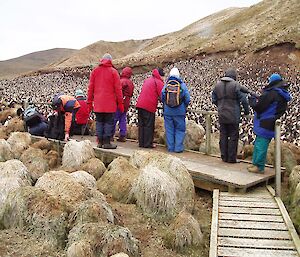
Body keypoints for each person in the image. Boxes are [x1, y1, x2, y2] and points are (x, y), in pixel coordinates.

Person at [247, 73, 291, 173]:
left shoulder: (272, 93)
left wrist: (252, 101)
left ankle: (259, 166)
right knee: (259, 143)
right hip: (271, 121)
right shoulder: (282, 94)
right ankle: (255, 164)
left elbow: (259, 106)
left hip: (265, 122)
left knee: (260, 145)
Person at [212, 68, 249, 163]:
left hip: (222, 114)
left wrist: (220, 106)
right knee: (233, 136)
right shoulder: (236, 85)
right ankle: (232, 158)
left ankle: (224, 156)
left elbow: (214, 99)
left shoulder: (217, 85)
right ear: (234, 77)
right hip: (233, 115)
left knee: (223, 135)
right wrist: (246, 112)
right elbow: (244, 100)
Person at [87, 53, 124, 149]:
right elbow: (118, 90)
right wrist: (120, 103)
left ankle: (99, 142)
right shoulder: (113, 72)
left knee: (99, 122)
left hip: (98, 104)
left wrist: (89, 103)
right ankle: (107, 143)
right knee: (108, 123)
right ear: (110, 61)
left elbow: (90, 88)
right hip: (110, 105)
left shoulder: (95, 71)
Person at [161, 67, 190, 153]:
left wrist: (166, 105)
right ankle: (178, 148)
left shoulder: (167, 85)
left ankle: (170, 148)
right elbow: (187, 98)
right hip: (179, 112)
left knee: (169, 129)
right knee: (180, 129)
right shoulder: (182, 85)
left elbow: (162, 96)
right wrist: (184, 106)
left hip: (168, 112)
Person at [136, 68, 165, 148]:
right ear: (161, 75)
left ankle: (141, 143)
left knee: (141, 125)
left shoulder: (148, 80)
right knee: (148, 125)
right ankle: (148, 144)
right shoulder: (158, 82)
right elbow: (162, 96)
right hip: (148, 106)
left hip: (140, 104)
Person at [113, 67, 135, 142]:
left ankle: (110, 135)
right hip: (127, 103)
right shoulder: (130, 83)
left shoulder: (121, 81)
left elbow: (117, 92)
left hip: (119, 102)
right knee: (123, 118)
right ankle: (123, 135)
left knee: (114, 118)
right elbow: (131, 93)